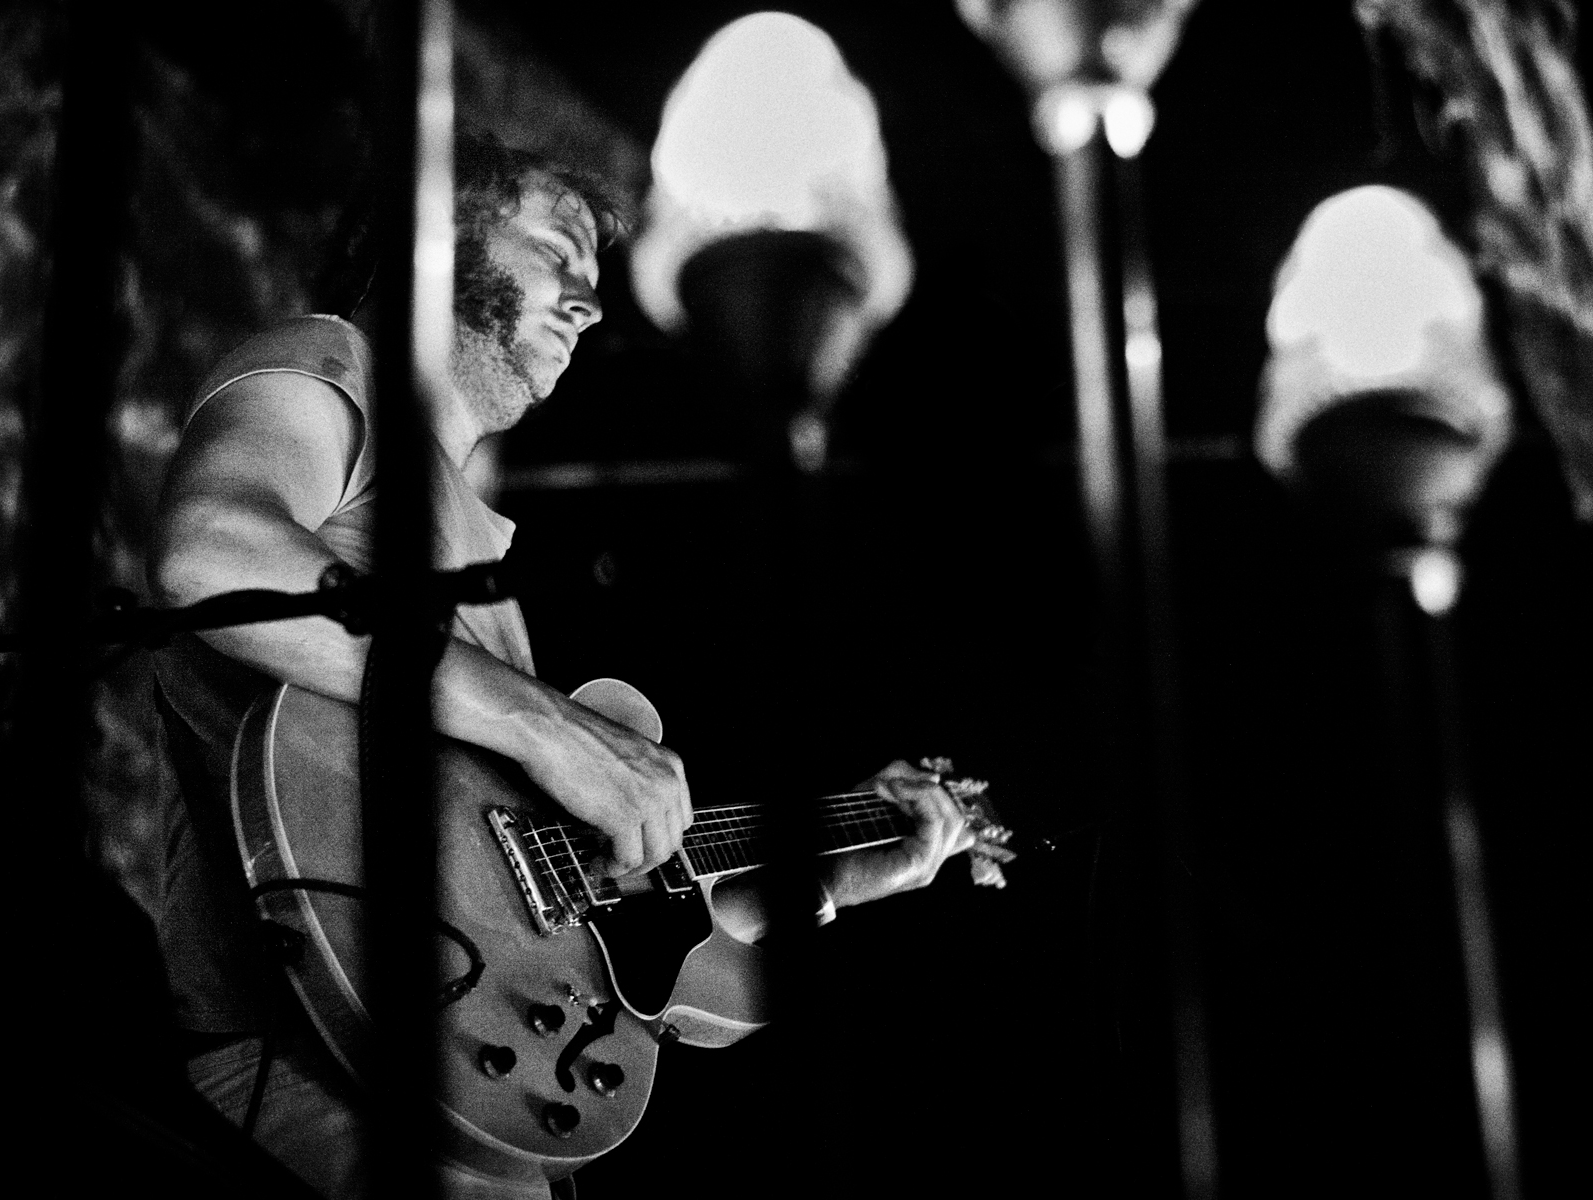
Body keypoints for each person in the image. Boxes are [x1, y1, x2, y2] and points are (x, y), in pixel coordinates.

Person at [145, 137, 977, 1199]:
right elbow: (211, 553)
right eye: (553, 250)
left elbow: (597, 924)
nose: (588, 302)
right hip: (305, 1068)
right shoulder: (332, 362)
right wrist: (553, 730)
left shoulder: (477, 571)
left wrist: (844, 868)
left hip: (475, 1107)